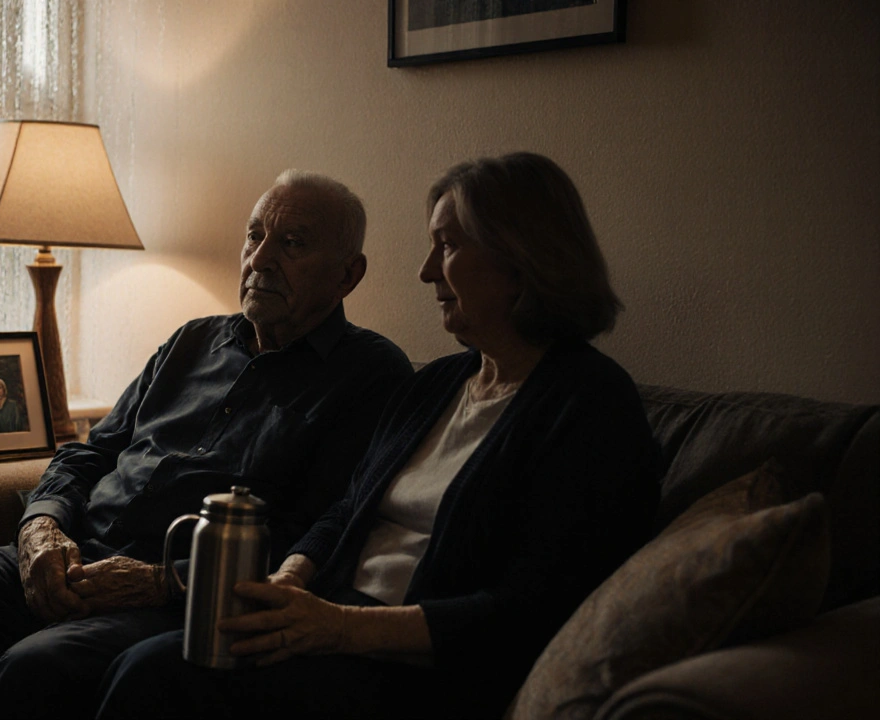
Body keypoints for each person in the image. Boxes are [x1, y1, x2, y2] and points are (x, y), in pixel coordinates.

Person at [0, 170, 413, 719]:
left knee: (32, 674)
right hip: (74, 554)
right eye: (254, 236)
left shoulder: (369, 375)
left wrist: (162, 580)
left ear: (349, 274)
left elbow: (322, 530)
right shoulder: (193, 340)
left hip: (172, 599)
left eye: (293, 243)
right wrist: (41, 527)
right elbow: (90, 452)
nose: (261, 259)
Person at [94, 153, 664, 720]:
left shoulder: (589, 404)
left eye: (447, 246)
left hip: (413, 666)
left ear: (521, 258)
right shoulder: (439, 382)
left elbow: (533, 607)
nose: (426, 271)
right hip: (329, 620)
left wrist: (338, 627)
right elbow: (345, 512)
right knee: (148, 661)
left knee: (155, 676)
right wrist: (289, 581)